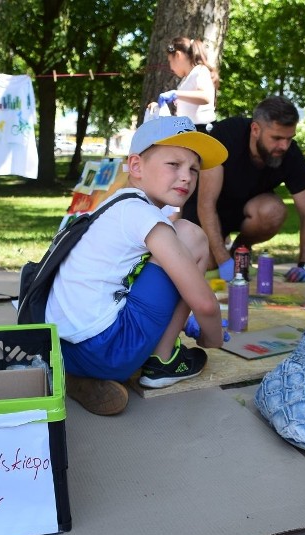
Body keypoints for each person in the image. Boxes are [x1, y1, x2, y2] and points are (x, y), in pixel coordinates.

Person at [46, 116, 229, 416]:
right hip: (110, 349)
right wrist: (212, 339)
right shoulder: (144, 216)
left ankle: (81, 378)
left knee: (174, 243)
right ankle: (163, 360)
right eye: (174, 165)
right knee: (191, 235)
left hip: (64, 349)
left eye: (193, 170)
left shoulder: (114, 205)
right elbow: (205, 304)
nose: (186, 177)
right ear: (135, 167)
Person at [181, 95, 305, 282]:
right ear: (255, 129)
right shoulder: (226, 136)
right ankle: (226, 256)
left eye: (289, 138)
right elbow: (206, 204)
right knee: (206, 264)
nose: (284, 146)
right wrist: (223, 261)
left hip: (245, 211)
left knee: (274, 210)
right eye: (277, 138)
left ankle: (240, 250)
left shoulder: (291, 154)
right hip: (204, 213)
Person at [153, 37, 218, 132]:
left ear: (178, 55)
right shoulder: (187, 79)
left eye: (170, 61)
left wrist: (176, 94)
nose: (170, 67)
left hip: (203, 130)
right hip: (191, 130)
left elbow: (206, 96)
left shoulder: (200, 70)